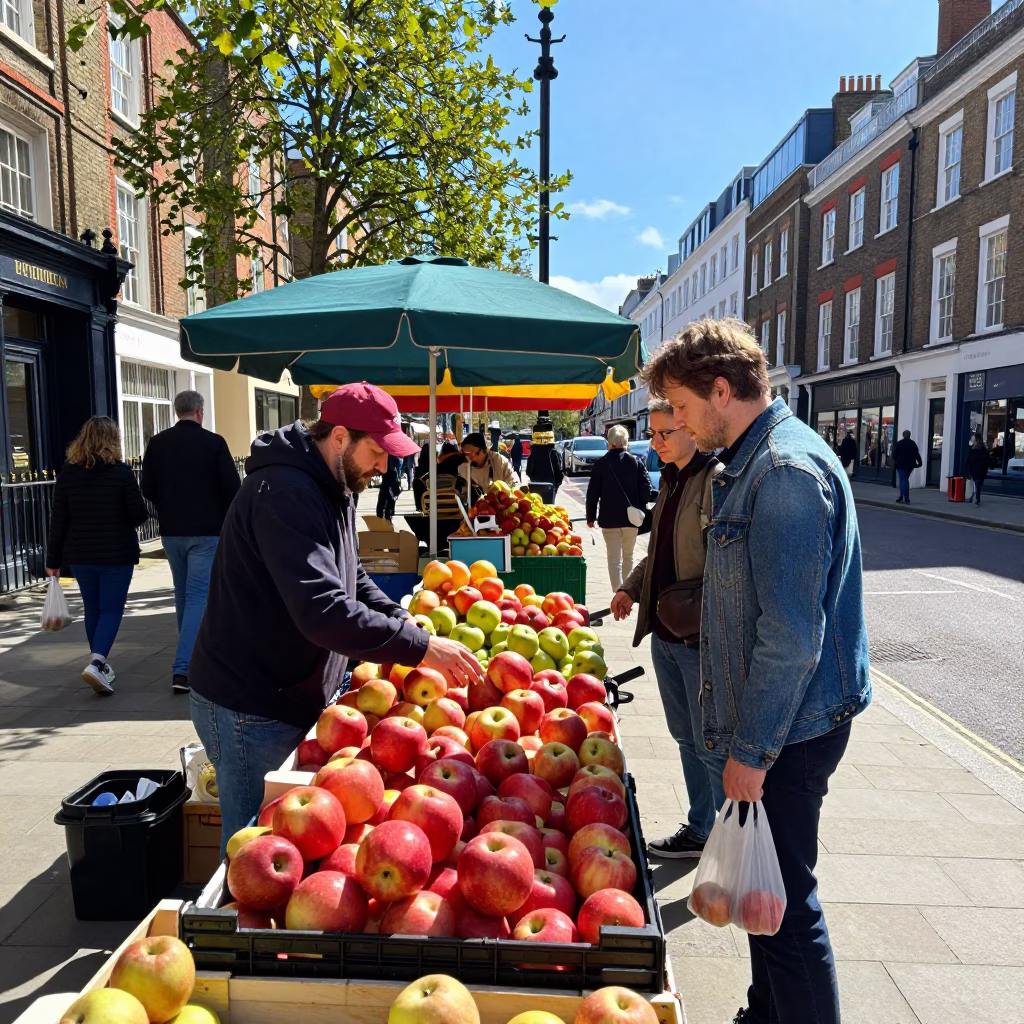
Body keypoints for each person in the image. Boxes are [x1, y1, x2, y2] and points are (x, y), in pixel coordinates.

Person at [644, 318, 870, 1024]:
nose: (676, 424)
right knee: (761, 892)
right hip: (782, 722)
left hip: (790, 730)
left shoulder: (782, 474)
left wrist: (750, 752)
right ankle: (764, 1012)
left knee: (790, 905)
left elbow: (791, 639)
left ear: (721, 389)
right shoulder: (753, 461)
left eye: (680, 408)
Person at [188, 383, 484, 850]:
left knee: (289, 839)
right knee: (255, 845)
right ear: (340, 437)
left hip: (287, 693)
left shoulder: (333, 482)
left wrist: (399, 618)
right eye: (378, 452)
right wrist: (422, 647)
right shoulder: (286, 493)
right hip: (250, 705)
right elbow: (323, 609)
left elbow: (351, 574)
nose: (386, 465)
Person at [611, 399, 724, 857]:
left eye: (664, 434)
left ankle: (732, 842)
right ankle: (701, 828)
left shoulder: (714, 480)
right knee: (684, 736)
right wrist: (631, 589)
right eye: (653, 434)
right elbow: (656, 548)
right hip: (665, 633)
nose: (654, 443)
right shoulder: (671, 479)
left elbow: (726, 562)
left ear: (690, 430)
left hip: (698, 636)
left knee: (710, 742)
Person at [141, 391, 241, 695]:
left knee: (183, 593)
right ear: (199, 411)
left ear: (178, 411)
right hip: (207, 531)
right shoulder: (214, 443)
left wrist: (169, 506)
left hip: (172, 530)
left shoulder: (157, 443)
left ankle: (191, 657)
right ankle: (184, 667)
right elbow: (233, 488)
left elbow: (147, 486)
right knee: (198, 595)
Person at [45, 417, 150, 695]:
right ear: (113, 440)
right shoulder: (122, 473)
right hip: (116, 553)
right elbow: (139, 515)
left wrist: (52, 560)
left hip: (81, 553)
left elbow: (59, 520)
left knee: (93, 609)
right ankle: (97, 662)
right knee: (112, 609)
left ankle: (100, 665)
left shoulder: (69, 473)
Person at [585, 425, 653, 591]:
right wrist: (640, 506)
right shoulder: (635, 462)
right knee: (628, 556)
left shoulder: (601, 464)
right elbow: (647, 489)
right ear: (625, 442)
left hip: (609, 519)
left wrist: (590, 517)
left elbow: (592, 493)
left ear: (610, 443)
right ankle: (627, 592)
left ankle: (617, 592)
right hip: (632, 518)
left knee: (613, 559)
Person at [525, 414, 563, 499]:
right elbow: (559, 472)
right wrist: (556, 486)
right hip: (550, 485)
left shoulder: (534, 452)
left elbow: (528, 470)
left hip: (536, 484)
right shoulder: (553, 452)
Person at [892, 429, 923, 504]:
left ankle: (905, 498)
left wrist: (895, 460)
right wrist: (920, 463)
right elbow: (917, 454)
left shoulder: (899, 443)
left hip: (900, 464)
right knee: (905, 479)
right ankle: (902, 497)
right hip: (910, 465)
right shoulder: (913, 443)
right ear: (909, 435)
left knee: (903, 480)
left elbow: (894, 455)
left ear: (903, 435)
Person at [376, 454, 402, 520]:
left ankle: (383, 515)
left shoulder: (385, 455)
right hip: (391, 478)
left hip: (388, 478)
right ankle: (388, 514)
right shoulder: (392, 455)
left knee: (384, 498)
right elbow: (398, 464)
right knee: (390, 498)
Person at [965, 434, 988, 506]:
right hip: (981, 469)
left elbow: (968, 459)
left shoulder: (972, 448)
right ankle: (976, 498)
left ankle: (974, 498)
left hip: (974, 468)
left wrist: (966, 467)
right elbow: (987, 460)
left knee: (974, 484)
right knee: (977, 484)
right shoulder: (984, 448)